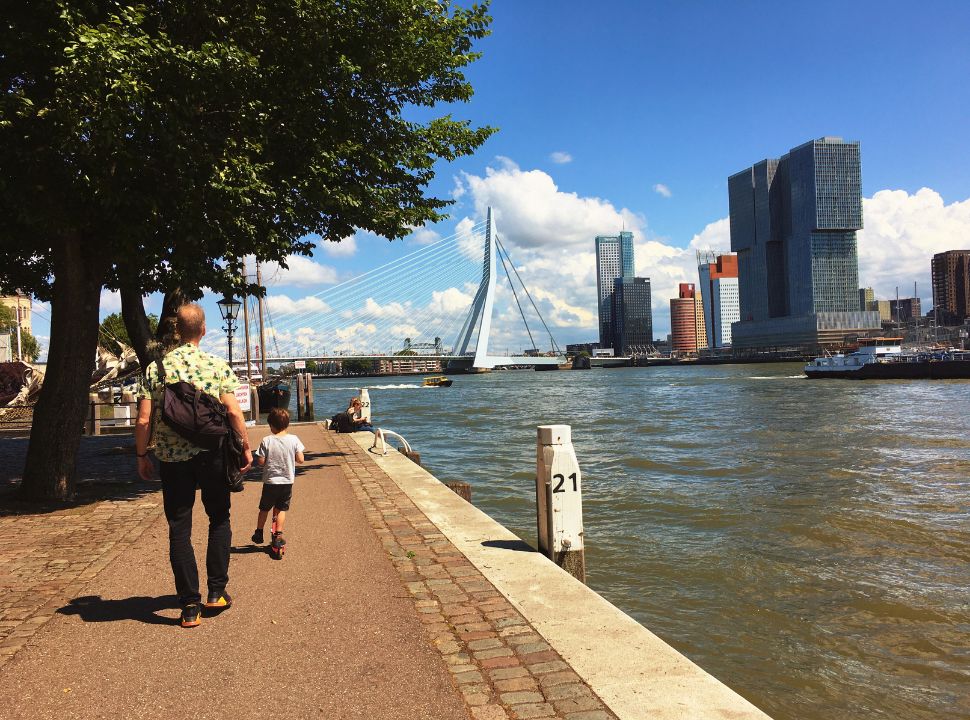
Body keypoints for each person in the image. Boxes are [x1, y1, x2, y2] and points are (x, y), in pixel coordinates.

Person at [135, 303, 253, 629]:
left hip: (172, 458)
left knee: (179, 527)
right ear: (203, 330)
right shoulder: (216, 365)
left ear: (176, 331)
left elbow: (144, 418)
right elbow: (233, 413)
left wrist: (142, 454)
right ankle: (216, 592)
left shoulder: (156, 369)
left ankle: (189, 605)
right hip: (212, 454)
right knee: (219, 517)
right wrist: (244, 447)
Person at [251, 408, 305, 553]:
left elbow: (261, 461)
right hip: (287, 481)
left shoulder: (267, 440)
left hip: (270, 482)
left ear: (271, 426)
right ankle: (278, 534)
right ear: (287, 424)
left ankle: (259, 532)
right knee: (281, 508)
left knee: (264, 508)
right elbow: (300, 459)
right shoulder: (294, 439)